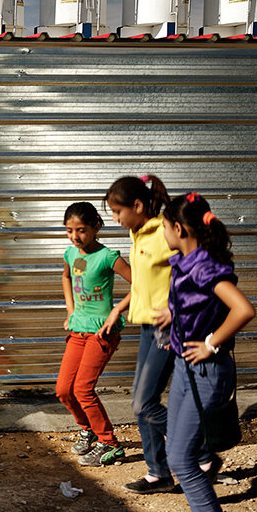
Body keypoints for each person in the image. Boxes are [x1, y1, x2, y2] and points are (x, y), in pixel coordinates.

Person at [159, 191, 256, 512]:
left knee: (182, 459)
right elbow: (198, 304)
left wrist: (211, 343)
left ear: (179, 228)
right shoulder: (185, 261)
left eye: (165, 227)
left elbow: (243, 309)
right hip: (186, 366)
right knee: (176, 452)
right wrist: (174, 318)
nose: (163, 233)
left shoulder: (204, 266)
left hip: (206, 370)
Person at [104, 175, 181, 494]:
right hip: (148, 326)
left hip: (168, 328)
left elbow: (192, 273)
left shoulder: (165, 231)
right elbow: (144, 284)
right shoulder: (139, 234)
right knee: (140, 401)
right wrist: (120, 307)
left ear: (137, 206)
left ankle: (199, 452)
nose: (115, 220)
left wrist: (177, 311)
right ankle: (158, 472)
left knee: (144, 402)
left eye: (118, 212)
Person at [56, 202, 132, 467]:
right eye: (69, 230)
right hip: (78, 330)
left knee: (83, 389)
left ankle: (110, 444)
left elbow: (143, 283)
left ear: (96, 227)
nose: (75, 237)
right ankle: (87, 429)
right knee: (64, 390)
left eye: (81, 230)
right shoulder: (72, 254)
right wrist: (71, 310)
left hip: (102, 332)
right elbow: (67, 278)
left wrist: (118, 310)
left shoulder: (108, 257)